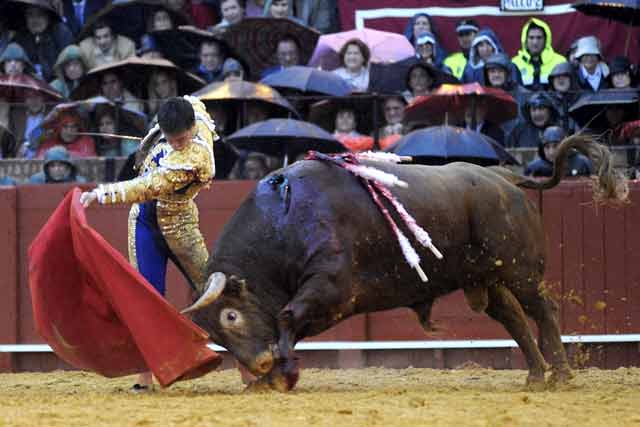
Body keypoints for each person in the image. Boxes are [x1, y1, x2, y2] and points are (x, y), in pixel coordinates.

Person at [79, 96, 219, 391]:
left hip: (180, 224)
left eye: (181, 139)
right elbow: (193, 101)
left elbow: (147, 186)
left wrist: (103, 193)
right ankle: (144, 379)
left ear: (192, 128)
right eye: (170, 138)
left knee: (214, 292)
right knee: (146, 300)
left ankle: (250, 368)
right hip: (144, 223)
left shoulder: (194, 159)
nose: (177, 144)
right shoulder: (188, 116)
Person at [13, 5, 74, 81]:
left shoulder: (61, 32)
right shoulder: (20, 37)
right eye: (30, 15)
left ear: (48, 17)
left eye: (40, 15)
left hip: (59, 83)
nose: (35, 20)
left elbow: (70, 64)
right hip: (29, 84)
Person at [511, 18, 566, 90]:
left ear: (546, 40)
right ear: (525, 40)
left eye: (539, 38)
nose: (535, 42)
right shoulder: (515, 63)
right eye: (531, 38)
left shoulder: (560, 62)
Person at [524, 126, 592, 177]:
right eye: (547, 147)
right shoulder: (534, 168)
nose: (551, 152)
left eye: (556, 146)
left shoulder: (583, 163)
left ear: (565, 145)